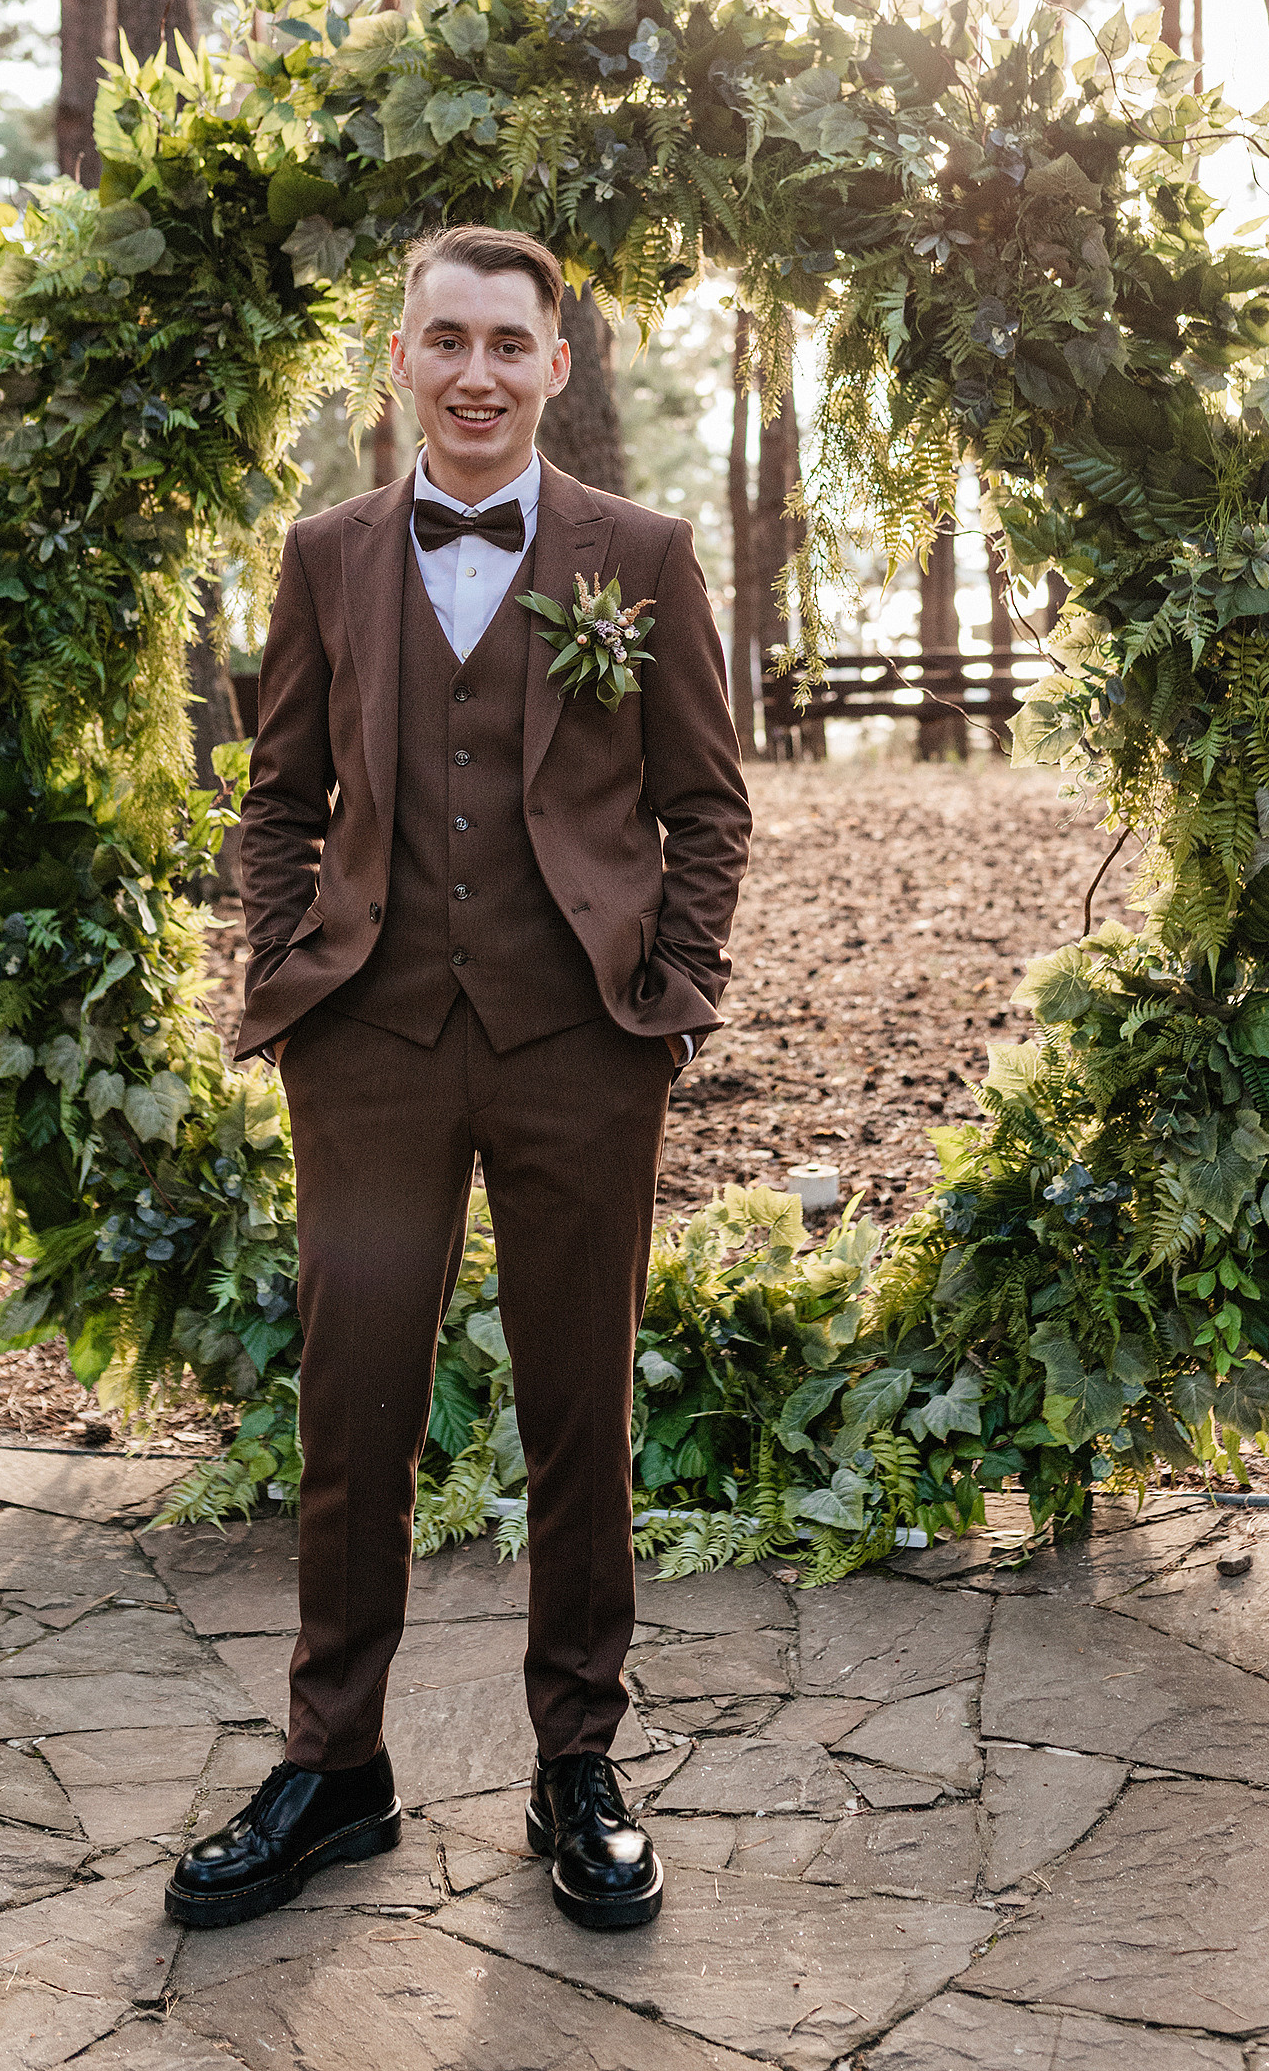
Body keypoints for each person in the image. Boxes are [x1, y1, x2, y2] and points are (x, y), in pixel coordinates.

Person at [166, 225, 752, 1936]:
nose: (479, 372)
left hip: (585, 1046)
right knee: (352, 1411)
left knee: (584, 1405)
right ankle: (333, 1764)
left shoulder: (641, 553)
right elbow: (278, 799)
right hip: (371, 1046)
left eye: (511, 342)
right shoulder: (327, 554)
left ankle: (580, 1761)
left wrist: (673, 989)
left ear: (557, 366)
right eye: (447, 340)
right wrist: (293, 967)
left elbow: (706, 801)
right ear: (402, 358)